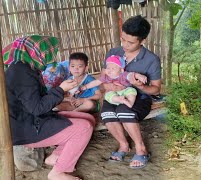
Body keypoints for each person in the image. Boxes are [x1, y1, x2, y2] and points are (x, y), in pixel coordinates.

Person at [3, 35, 95, 180]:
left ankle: (56, 158)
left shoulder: (25, 67)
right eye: (49, 53)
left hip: (30, 120)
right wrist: (60, 89)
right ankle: (57, 173)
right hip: (26, 128)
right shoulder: (22, 73)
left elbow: (35, 101)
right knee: (84, 127)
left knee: (88, 118)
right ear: (37, 52)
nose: (51, 58)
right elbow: (37, 108)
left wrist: (62, 95)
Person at [100, 15, 161, 169]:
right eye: (123, 39)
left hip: (140, 98)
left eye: (131, 42)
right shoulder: (113, 52)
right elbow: (104, 78)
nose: (125, 45)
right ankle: (123, 145)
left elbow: (156, 89)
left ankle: (141, 149)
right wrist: (111, 87)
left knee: (123, 111)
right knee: (107, 113)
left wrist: (140, 86)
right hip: (115, 95)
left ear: (142, 41)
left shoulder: (151, 59)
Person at [79, 55, 147, 108]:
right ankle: (120, 100)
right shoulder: (106, 77)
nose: (110, 70)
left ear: (121, 70)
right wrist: (85, 87)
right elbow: (96, 82)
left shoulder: (124, 75)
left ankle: (130, 103)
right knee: (108, 95)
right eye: (108, 68)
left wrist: (140, 76)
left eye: (113, 68)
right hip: (114, 93)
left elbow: (132, 75)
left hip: (125, 91)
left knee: (132, 90)